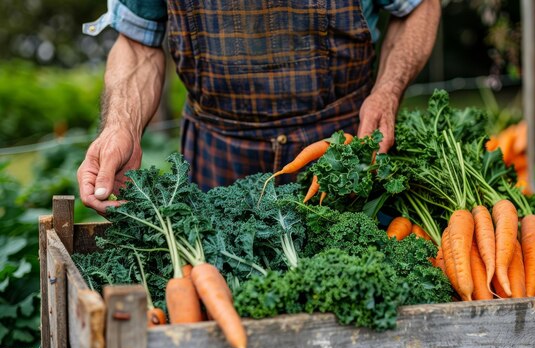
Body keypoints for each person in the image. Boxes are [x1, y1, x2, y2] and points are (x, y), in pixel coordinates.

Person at [77, 0, 441, 214]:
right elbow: (139, 42)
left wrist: (388, 91)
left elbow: (417, 6)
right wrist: (120, 126)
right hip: (218, 155)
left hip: (341, 152)